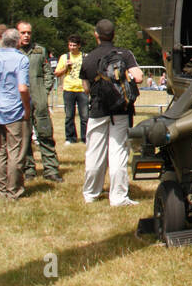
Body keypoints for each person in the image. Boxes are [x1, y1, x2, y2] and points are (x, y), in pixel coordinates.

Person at [81, 19, 142, 207]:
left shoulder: (89, 57)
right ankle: (118, 197)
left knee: (94, 152)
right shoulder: (124, 54)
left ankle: (91, 193)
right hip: (121, 110)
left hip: (98, 110)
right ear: (114, 35)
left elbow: (85, 88)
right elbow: (139, 77)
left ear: (96, 35)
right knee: (118, 153)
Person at [0, 26, 31, 199]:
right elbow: (23, 88)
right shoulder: (21, 59)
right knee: (16, 152)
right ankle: (14, 189)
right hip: (15, 110)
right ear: (18, 42)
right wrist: (27, 108)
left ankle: (2, 188)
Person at [16, 20, 60, 183]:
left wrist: (44, 90)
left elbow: (48, 73)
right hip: (20, 101)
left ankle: (51, 169)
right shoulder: (13, 52)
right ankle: (28, 169)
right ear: (17, 33)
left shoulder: (40, 50)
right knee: (24, 136)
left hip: (39, 100)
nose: (26, 35)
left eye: (28, 32)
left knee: (45, 134)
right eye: (23, 32)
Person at [54, 34, 88, 144]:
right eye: (70, 45)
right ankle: (70, 138)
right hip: (69, 89)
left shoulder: (85, 57)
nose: (72, 47)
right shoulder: (64, 57)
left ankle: (85, 138)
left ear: (79, 46)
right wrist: (65, 67)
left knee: (85, 116)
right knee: (69, 115)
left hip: (82, 89)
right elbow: (57, 73)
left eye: (74, 45)